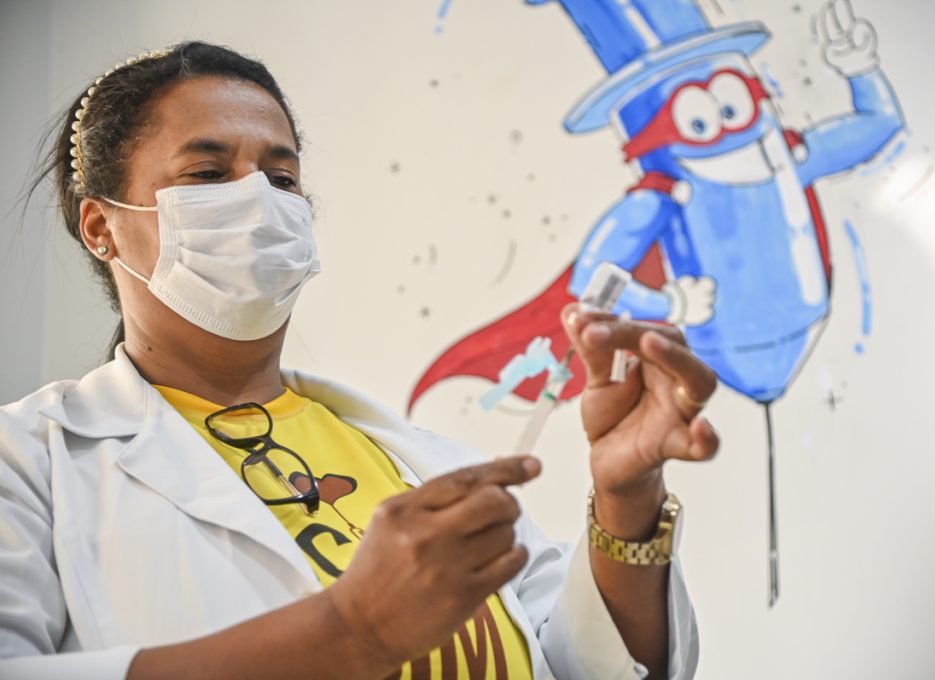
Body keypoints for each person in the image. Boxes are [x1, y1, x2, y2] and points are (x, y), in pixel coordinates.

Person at [0, 42, 719, 680]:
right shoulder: (31, 464)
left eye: (282, 179)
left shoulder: (421, 462)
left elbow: (596, 668)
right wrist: (352, 635)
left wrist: (627, 501)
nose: (257, 199)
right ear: (101, 226)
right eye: (209, 172)